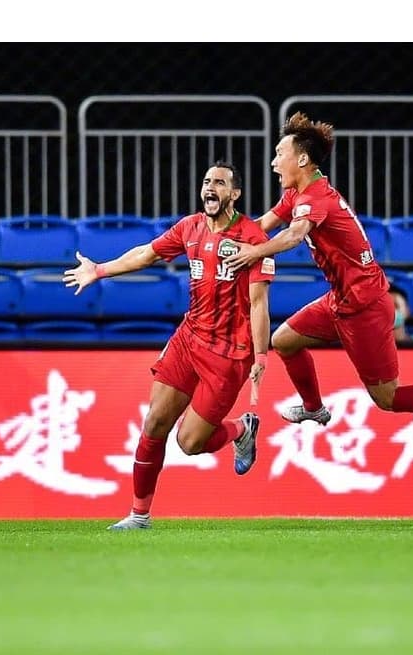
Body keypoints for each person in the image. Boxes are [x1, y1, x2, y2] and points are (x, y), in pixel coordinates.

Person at [221, 112, 413, 451]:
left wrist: (252, 254)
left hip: (365, 306)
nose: (273, 161)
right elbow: (263, 224)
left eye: (281, 153)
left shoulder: (316, 199)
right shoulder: (298, 193)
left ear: (303, 159)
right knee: (285, 341)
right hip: (341, 300)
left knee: (388, 397)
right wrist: (221, 235)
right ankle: (314, 408)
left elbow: (294, 235)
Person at [63, 161, 274, 530]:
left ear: (234, 194)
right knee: (155, 421)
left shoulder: (254, 239)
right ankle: (139, 516)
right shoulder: (189, 227)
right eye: (207, 181)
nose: (210, 188)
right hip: (188, 339)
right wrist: (99, 270)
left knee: (190, 443)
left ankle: (241, 429)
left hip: (228, 355)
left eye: (220, 183)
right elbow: (146, 254)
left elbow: (258, 303)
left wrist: (260, 354)